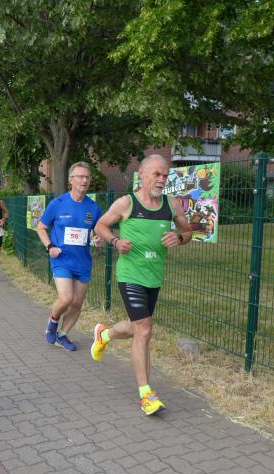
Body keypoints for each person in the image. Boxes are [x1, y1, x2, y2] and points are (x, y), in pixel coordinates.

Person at [90, 154, 192, 415]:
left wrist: (179, 238)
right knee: (145, 329)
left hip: (154, 276)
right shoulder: (127, 203)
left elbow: (188, 231)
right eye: (157, 174)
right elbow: (100, 226)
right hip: (130, 275)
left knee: (136, 327)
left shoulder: (171, 204)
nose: (162, 179)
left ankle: (105, 335)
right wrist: (115, 241)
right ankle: (146, 394)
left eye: (165, 175)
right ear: (142, 175)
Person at [36, 162, 103, 351]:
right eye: (80, 177)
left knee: (77, 303)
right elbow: (41, 227)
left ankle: (63, 334)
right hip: (62, 259)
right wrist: (50, 246)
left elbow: (98, 232)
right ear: (71, 180)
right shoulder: (58, 204)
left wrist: (98, 239)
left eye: (87, 177)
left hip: (83, 262)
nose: (84, 180)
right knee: (66, 298)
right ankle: (53, 322)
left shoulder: (93, 208)